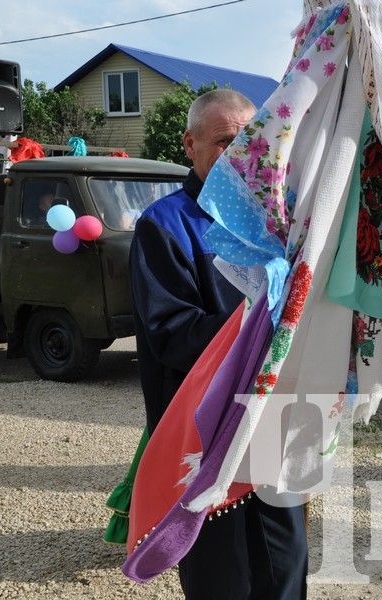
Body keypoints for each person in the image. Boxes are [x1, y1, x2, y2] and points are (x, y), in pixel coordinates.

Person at [128, 89, 308, 599]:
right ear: (190, 144)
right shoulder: (163, 226)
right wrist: (260, 329)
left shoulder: (276, 221)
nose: (239, 156)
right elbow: (172, 334)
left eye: (248, 143)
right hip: (204, 439)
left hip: (271, 427)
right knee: (221, 576)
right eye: (226, 142)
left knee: (286, 562)